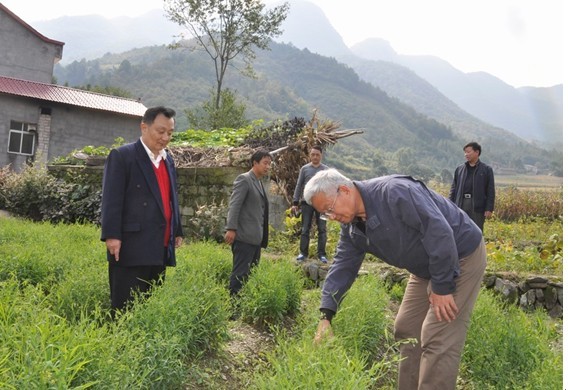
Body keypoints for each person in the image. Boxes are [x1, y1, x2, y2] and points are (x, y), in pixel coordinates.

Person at [304, 169, 486, 390]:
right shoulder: (352, 229)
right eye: (325, 214)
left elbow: (439, 232)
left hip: (460, 254)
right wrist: (326, 316)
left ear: (344, 190)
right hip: (424, 265)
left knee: (438, 334)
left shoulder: (395, 192)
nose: (331, 217)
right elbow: (343, 266)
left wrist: (442, 287)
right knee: (407, 328)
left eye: (329, 209)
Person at [101, 106, 183, 314]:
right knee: (125, 307)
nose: (165, 137)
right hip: (131, 245)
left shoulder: (168, 160)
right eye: (161, 131)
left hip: (159, 246)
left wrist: (177, 229)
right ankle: (120, 344)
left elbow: (170, 197)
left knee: (150, 306)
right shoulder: (123, 156)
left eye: (170, 133)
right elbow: (112, 199)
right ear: (144, 127)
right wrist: (112, 236)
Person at [224, 149, 272, 296]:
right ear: (254, 163)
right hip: (244, 237)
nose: (268, 167)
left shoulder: (258, 182)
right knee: (240, 274)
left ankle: (242, 304)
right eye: (265, 163)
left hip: (255, 238)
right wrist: (231, 228)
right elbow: (235, 205)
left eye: (269, 164)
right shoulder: (244, 179)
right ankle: (233, 306)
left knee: (250, 274)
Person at [291, 145, 329, 263]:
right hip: (306, 203)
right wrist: (295, 202)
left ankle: (321, 254)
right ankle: (303, 253)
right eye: (313, 154)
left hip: (322, 204)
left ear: (321, 156)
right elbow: (299, 185)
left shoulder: (326, 170)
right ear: (310, 155)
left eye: (317, 154)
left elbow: (329, 187)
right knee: (305, 229)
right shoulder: (305, 169)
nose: (315, 157)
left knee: (322, 229)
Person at [449, 141, 495, 232]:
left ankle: (477, 246)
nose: (466, 154)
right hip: (461, 204)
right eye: (465, 152)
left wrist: (489, 208)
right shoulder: (459, 169)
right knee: (460, 231)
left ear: (477, 152)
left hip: (477, 206)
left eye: (468, 152)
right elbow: (453, 189)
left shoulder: (486, 170)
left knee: (476, 231)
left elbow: (490, 191)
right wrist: (450, 205)